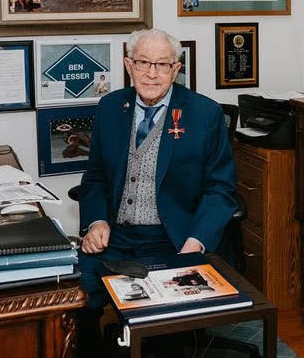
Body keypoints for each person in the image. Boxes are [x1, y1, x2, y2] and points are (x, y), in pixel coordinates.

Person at [77, 28, 237, 356]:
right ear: (128, 65)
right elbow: (94, 177)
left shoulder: (204, 114)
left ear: (176, 69)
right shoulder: (110, 107)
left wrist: (195, 243)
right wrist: (96, 221)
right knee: (74, 299)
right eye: (143, 62)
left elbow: (220, 189)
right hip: (115, 238)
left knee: (163, 328)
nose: (152, 73)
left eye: (162, 64)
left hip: (172, 239)